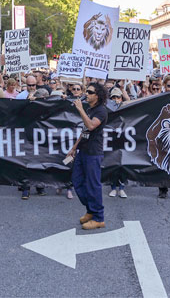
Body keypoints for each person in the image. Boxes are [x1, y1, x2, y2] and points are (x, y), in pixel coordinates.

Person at [65, 82, 108, 230]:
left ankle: (99, 218)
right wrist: (74, 147)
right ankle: (91, 210)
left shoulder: (101, 111)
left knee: (93, 185)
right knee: (77, 181)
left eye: (90, 92)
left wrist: (80, 109)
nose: (86, 94)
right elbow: (85, 131)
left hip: (93, 153)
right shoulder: (91, 109)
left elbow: (91, 126)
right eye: (87, 91)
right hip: (82, 151)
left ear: (98, 96)